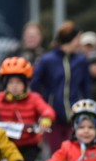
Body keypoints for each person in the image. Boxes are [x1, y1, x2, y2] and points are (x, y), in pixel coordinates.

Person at [0, 56, 56, 161]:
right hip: (4, 144)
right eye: (11, 82)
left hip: (28, 143)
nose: (14, 86)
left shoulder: (34, 98)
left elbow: (47, 110)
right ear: (5, 84)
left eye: (19, 82)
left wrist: (45, 119)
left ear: (25, 84)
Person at [31, 21, 91, 153]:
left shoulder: (81, 61)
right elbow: (34, 85)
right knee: (57, 153)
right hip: (53, 117)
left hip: (75, 116)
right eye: (78, 38)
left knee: (74, 153)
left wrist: (86, 110)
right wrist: (40, 107)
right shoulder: (47, 60)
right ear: (70, 39)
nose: (80, 42)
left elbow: (86, 88)